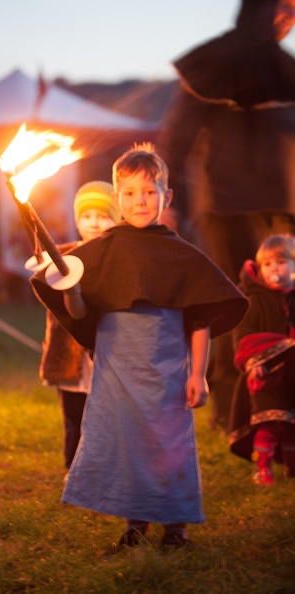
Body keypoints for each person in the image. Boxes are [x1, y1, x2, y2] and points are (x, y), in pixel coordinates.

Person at [31, 143, 248, 551]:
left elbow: (200, 318)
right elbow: (79, 313)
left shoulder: (181, 255)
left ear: (166, 196)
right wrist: (72, 289)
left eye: (150, 192)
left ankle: (176, 529)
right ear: (117, 199)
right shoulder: (102, 251)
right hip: (117, 373)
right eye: (129, 193)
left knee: (169, 446)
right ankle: (135, 524)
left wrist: (199, 373)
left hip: (167, 372)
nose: (140, 201)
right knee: (128, 445)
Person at [157, 0, 295, 433]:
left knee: (286, 305)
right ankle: (231, 411)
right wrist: (165, 200)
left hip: (281, 209)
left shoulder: (283, 69)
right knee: (238, 306)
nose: (290, 20)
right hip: (226, 208)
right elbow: (175, 137)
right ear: (261, 9)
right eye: (284, 9)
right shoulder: (211, 64)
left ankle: (283, 403)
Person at [32, 181, 121, 469]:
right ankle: (74, 473)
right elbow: (49, 297)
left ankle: (109, 471)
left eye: (103, 215)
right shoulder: (61, 257)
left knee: (110, 418)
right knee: (74, 418)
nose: (94, 223)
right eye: (86, 215)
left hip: (108, 353)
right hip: (70, 357)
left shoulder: (120, 257)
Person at [229, 234, 295, 485]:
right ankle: (263, 467)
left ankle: (291, 467)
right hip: (265, 372)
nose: (274, 268)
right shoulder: (254, 299)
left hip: (291, 371)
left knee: (290, 423)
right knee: (271, 421)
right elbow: (243, 335)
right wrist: (253, 361)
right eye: (268, 264)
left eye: (281, 262)